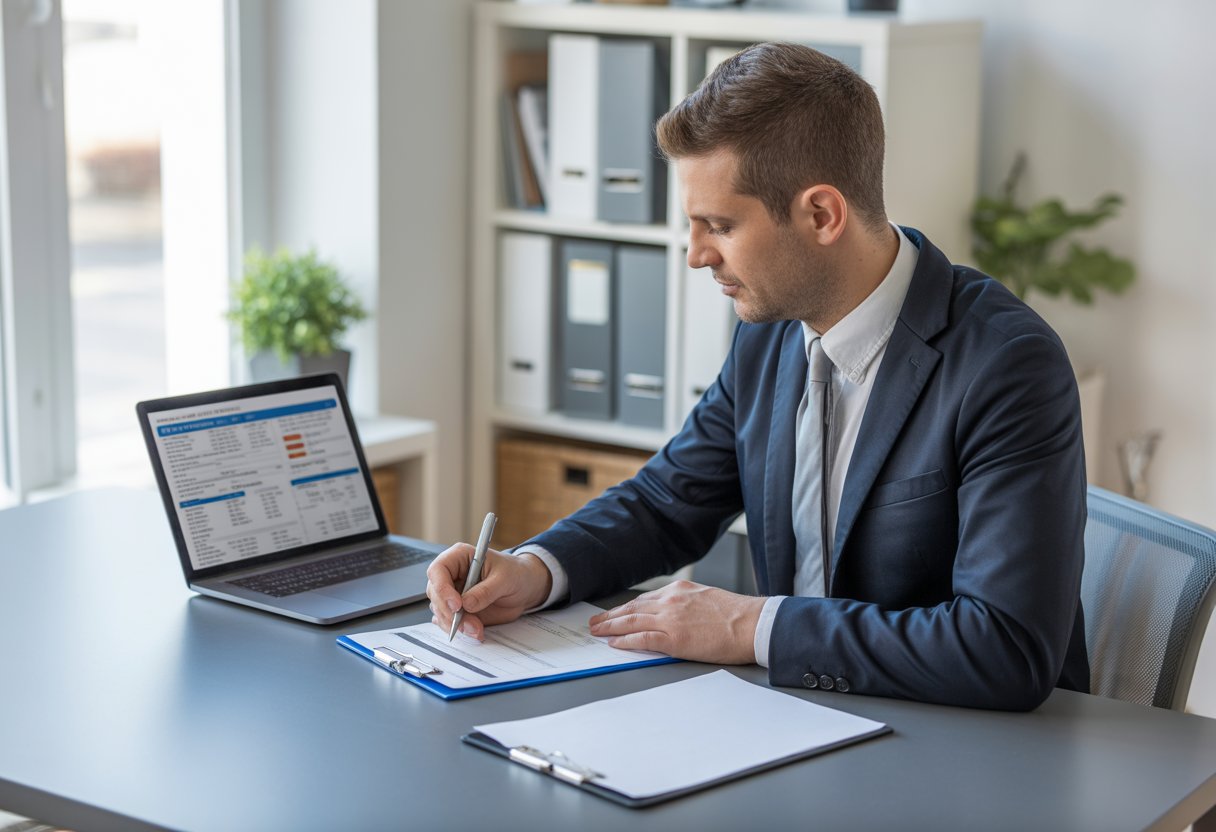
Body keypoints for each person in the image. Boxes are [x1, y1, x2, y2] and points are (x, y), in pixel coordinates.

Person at [428, 42, 1090, 711]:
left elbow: (1005, 647)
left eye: (719, 225)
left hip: (965, 751)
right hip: (798, 714)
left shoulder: (1005, 364)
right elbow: (667, 502)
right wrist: (536, 571)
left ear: (822, 215)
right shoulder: (768, 331)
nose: (695, 255)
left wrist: (749, 625)